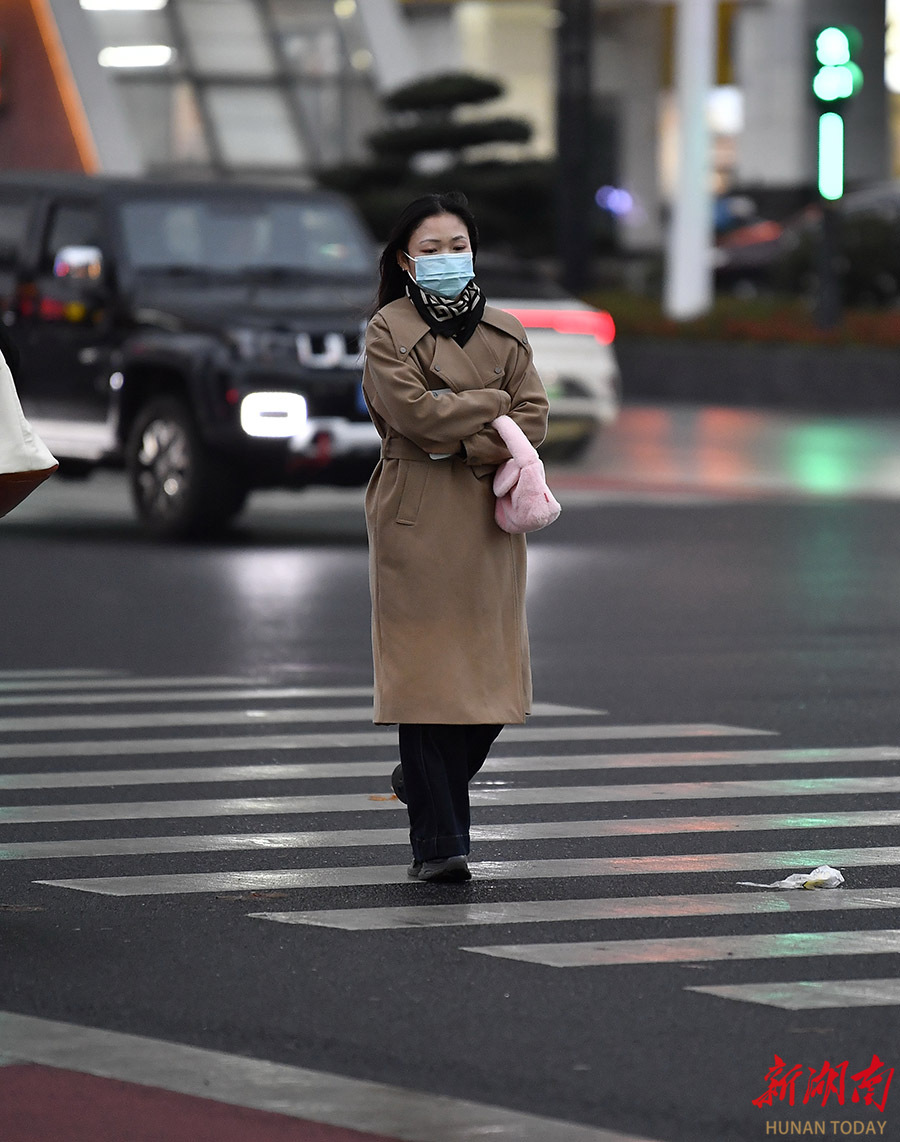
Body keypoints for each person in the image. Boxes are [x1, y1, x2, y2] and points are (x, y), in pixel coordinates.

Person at [362, 191, 550, 884]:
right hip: (415, 512)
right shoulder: (388, 329)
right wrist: (494, 412)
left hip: (486, 514)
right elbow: (416, 418)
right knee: (425, 679)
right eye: (432, 249)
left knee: (489, 676)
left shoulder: (506, 331)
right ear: (405, 262)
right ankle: (439, 847)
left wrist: (469, 427)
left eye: (458, 246)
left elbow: (535, 417)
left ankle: (421, 780)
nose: (447, 258)